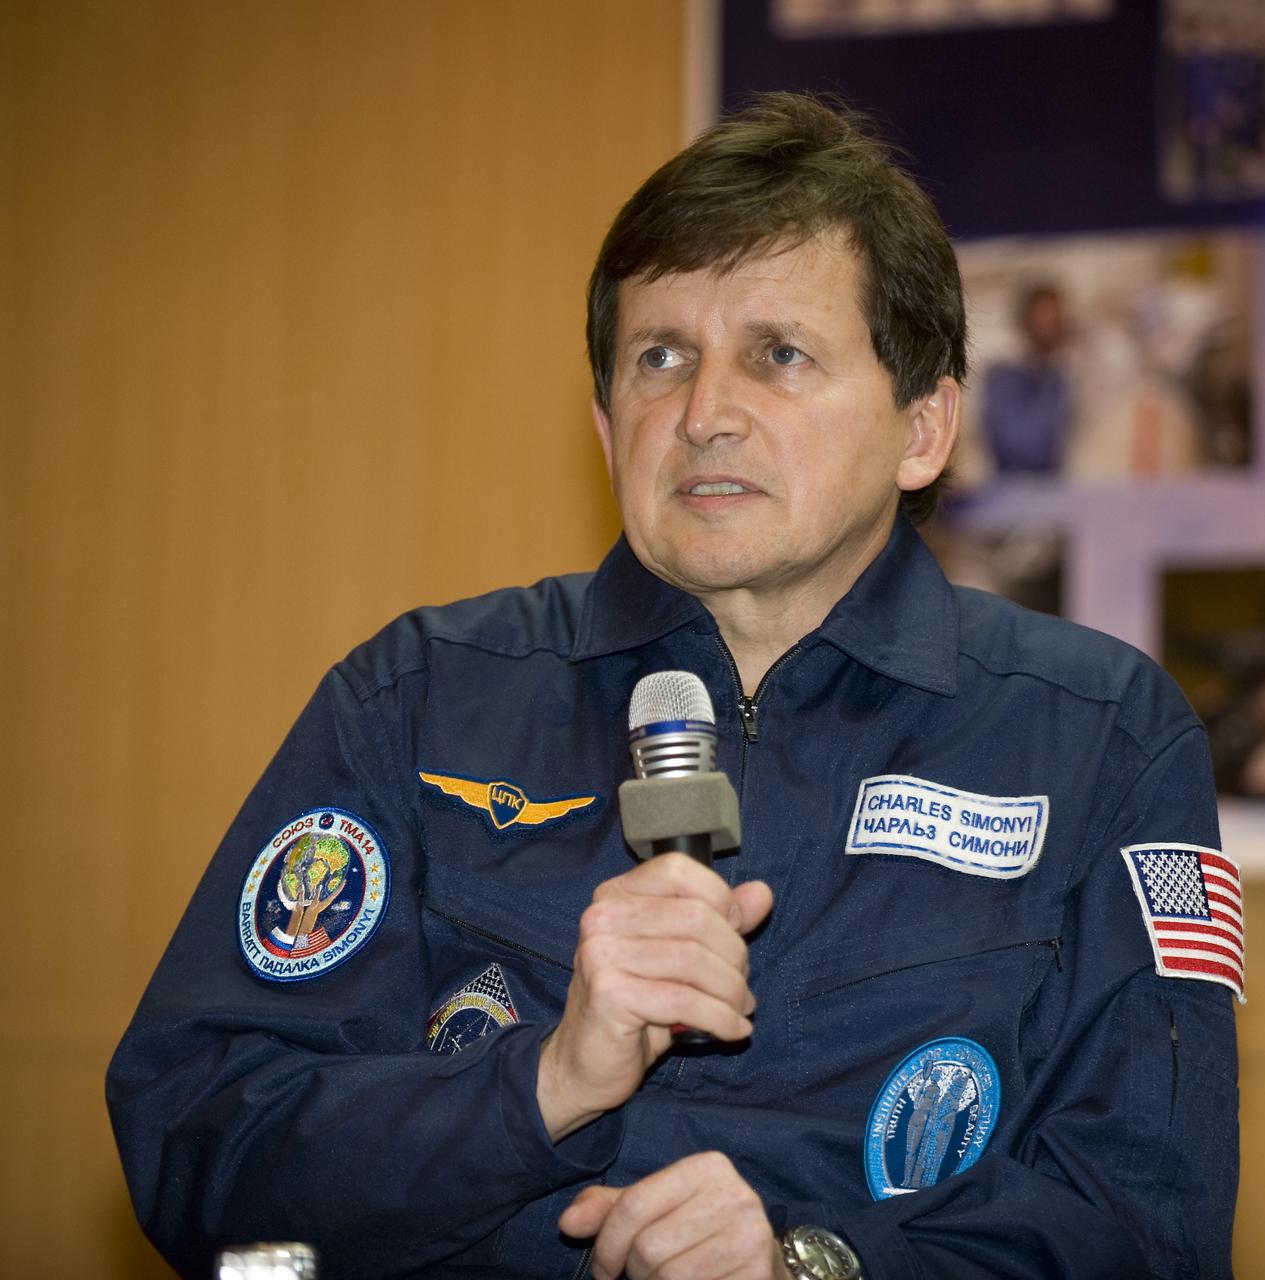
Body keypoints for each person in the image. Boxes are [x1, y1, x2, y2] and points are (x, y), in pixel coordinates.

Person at [107, 93, 1242, 1280]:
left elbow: (1146, 1223)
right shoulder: (416, 694)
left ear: (923, 426)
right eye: (660, 358)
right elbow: (197, 1149)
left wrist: (810, 1264)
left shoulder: (1098, 732)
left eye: (778, 355)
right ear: (605, 429)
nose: (704, 414)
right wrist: (541, 1087)